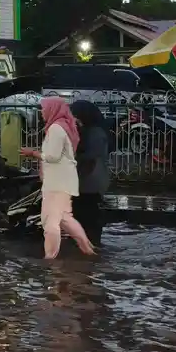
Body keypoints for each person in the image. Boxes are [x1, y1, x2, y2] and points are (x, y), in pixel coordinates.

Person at [21, 97, 96, 259]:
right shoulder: (64, 126)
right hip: (64, 180)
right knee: (65, 219)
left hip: (57, 182)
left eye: (43, 109)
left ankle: (50, 257)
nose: (41, 112)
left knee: (50, 221)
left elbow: (53, 156)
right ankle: (88, 249)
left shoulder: (56, 128)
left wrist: (32, 153)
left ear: (52, 109)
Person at [70, 100, 109, 245]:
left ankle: (89, 253)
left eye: (76, 114)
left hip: (90, 182)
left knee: (88, 216)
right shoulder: (88, 131)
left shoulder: (96, 133)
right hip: (89, 182)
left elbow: (89, 160)